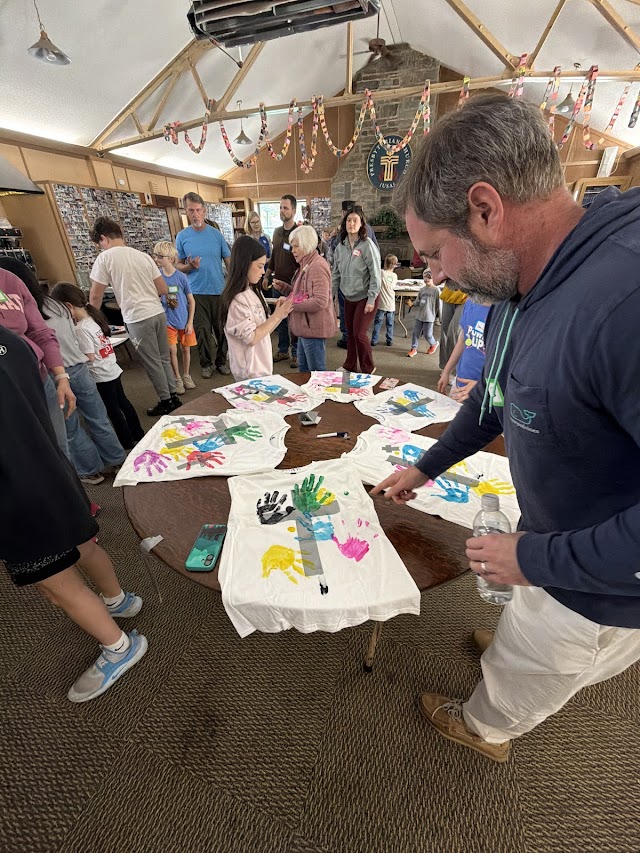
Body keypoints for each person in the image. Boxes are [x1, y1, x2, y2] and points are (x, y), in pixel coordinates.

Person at [372, 93, 640, 764]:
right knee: (525, 628)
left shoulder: (622, 306)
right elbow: (495, 396)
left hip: (596, 588)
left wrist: (536, 561)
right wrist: (428, 464)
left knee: (534, 674)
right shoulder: (522, 282)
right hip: (552, 542)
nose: (434, 274)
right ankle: (519, 645)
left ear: (486, 210)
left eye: (436, 253)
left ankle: (486, 726)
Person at [0, 325, 148, 703]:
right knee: (83, 545)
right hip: (51, 468)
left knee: (57, 585)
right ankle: (117, 600)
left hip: (16, 497)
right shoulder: (12, 340)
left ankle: (119, 647)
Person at [16, 270, 125, 485]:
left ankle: (91, 470)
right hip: (80, 368)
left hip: (54, 375)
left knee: (71, 428)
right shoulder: (56, 305)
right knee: (98, 418)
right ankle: (118, 460)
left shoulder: (24, 312)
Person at [88, 217, 180, 417]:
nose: (100, 248)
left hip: (137, 317)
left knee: (152, 361)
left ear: (103, 238)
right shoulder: (143, 256)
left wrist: (90, 320)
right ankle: (173, 395)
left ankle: (166, 401)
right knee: (163, 357)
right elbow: (163, 289)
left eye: (99, 244)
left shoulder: (105, 258)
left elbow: (95, 295)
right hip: (157, 313)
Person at [52, 282, 144, 452]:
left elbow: (90, 357)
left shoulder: (80, 328)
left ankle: (126, 442)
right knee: (123, 403)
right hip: (111, 368)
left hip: (101, 375)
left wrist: (73, 357)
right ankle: (138, 433)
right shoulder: (93, 318)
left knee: (113, 410)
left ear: (68, 306)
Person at [0, 263, 75, 455]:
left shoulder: (9, 279)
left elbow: (40, 332)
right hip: (6, 392)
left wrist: (61, 376)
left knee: (60, 449)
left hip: (37, 379)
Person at [222, 235, 294, 381]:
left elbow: (263, 330)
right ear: (245, 264)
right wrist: (277, 316)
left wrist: (279, 313)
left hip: (260, 369)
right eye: (260, 266)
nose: (263, 272)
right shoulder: (237, 300)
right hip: (248, 373)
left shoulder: (253, 291)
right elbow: (252, 338)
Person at [176, 192, 232, 378]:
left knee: (222, 329)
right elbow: (178, 266)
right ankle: (206, 364)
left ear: (204, 211)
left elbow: (229, 262)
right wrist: (189, 267)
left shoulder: (216, 235)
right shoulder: (182, 237)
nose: (195, 214)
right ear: (186, 211)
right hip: (196, 293)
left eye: (198, 210)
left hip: (218, 290)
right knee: (202, 331)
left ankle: (221, 362)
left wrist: (234, 285)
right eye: (191, 210)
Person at [274, 224, 334, 372]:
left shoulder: (317, 266)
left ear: (306, 245)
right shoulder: (306, 264)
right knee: (304, 370)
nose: (292, 250)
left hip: (312, 329)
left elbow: (320, 301)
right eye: (292, 246)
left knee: (315, 372)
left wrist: (289, 304)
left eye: (296, 246)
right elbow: (302, 294)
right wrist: (285, 288)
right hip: (306, 328)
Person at [331, 208, 381, 374]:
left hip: (366, 296)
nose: (351, 223)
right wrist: (331, 295)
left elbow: (376, 274)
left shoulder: (367, 246)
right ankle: (349, 365)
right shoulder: (340, 247)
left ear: (361, 225)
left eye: (355, 220)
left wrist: (371, 299)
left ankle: (368, 368)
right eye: (348, 220)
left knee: (359, 334)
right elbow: (336, 274)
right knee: (350, 334)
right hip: (348, 297)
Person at [153, 240, 196, 395]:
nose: (156, 259)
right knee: (172, 349)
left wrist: (190, 322)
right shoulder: (157, 277)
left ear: (170, 259)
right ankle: (177, 378)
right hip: (167, 319)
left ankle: (186, 375)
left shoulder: (181, 277)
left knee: (186, 349)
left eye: (160, 256)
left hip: (183, 319)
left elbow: (191, 300)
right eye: (156, 256)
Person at [437, 298, 491, 402]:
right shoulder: (471, 302)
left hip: (484, 391)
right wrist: (446, 371)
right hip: (461, 380)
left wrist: (483, 386)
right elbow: (462, 341)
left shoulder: (504, 312)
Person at [268, 194, 300, 368]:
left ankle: (296, 353)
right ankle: (282, 350)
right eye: (280, 207)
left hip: (294, 285)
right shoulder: (276, 232)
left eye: (285, 208)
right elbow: (274, 255)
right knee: (279, 318)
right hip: (277, 283)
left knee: (294, 320)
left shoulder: (298, 233)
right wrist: (268, 274)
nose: (282, 211)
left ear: (293, 211)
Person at [407, 268, 440, 357]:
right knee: (415, 333)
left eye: (429, 277)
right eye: (425, 277)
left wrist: (440, 317)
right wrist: (412, 304)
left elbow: (439, 305)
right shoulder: (422, 290)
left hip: (429, 317)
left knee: (427, 334)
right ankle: (413, 349)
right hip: (420, 315)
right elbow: (418, 301)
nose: (426, 279)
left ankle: (433, 344)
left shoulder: (436, 290)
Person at [438, 280, 467, 372]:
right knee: (445, 333)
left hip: (466, 296)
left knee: (453, 333)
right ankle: (445, 366)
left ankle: (453, 370)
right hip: (449, 294)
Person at [371, 254, 398, 347]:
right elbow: (393, 286)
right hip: (391, 304)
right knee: (390, 324)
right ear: (395, 265)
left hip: (381, 304)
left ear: (385, 263)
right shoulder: (395, 276)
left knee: (378, 323)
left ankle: (374, 340)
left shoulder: (381, 272)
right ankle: (389, 340)